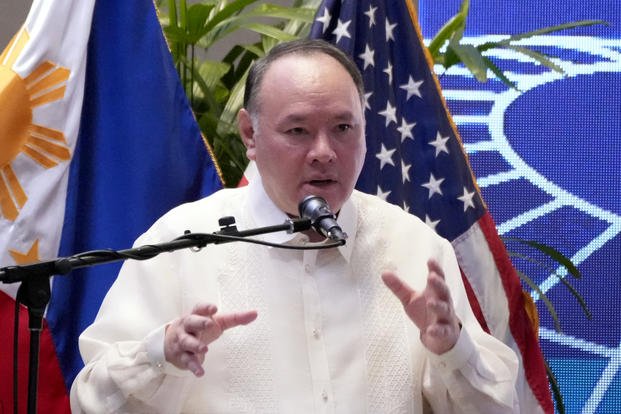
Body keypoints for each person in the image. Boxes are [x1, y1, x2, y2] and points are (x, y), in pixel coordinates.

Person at [70, 39, 520, 413]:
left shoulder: (414, 247)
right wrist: (160, 354)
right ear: (250, 134)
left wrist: (450, 349)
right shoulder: (181, 244)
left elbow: (499, 408)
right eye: (298, 131)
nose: (324, 151)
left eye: (343, 128)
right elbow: (88, 401)